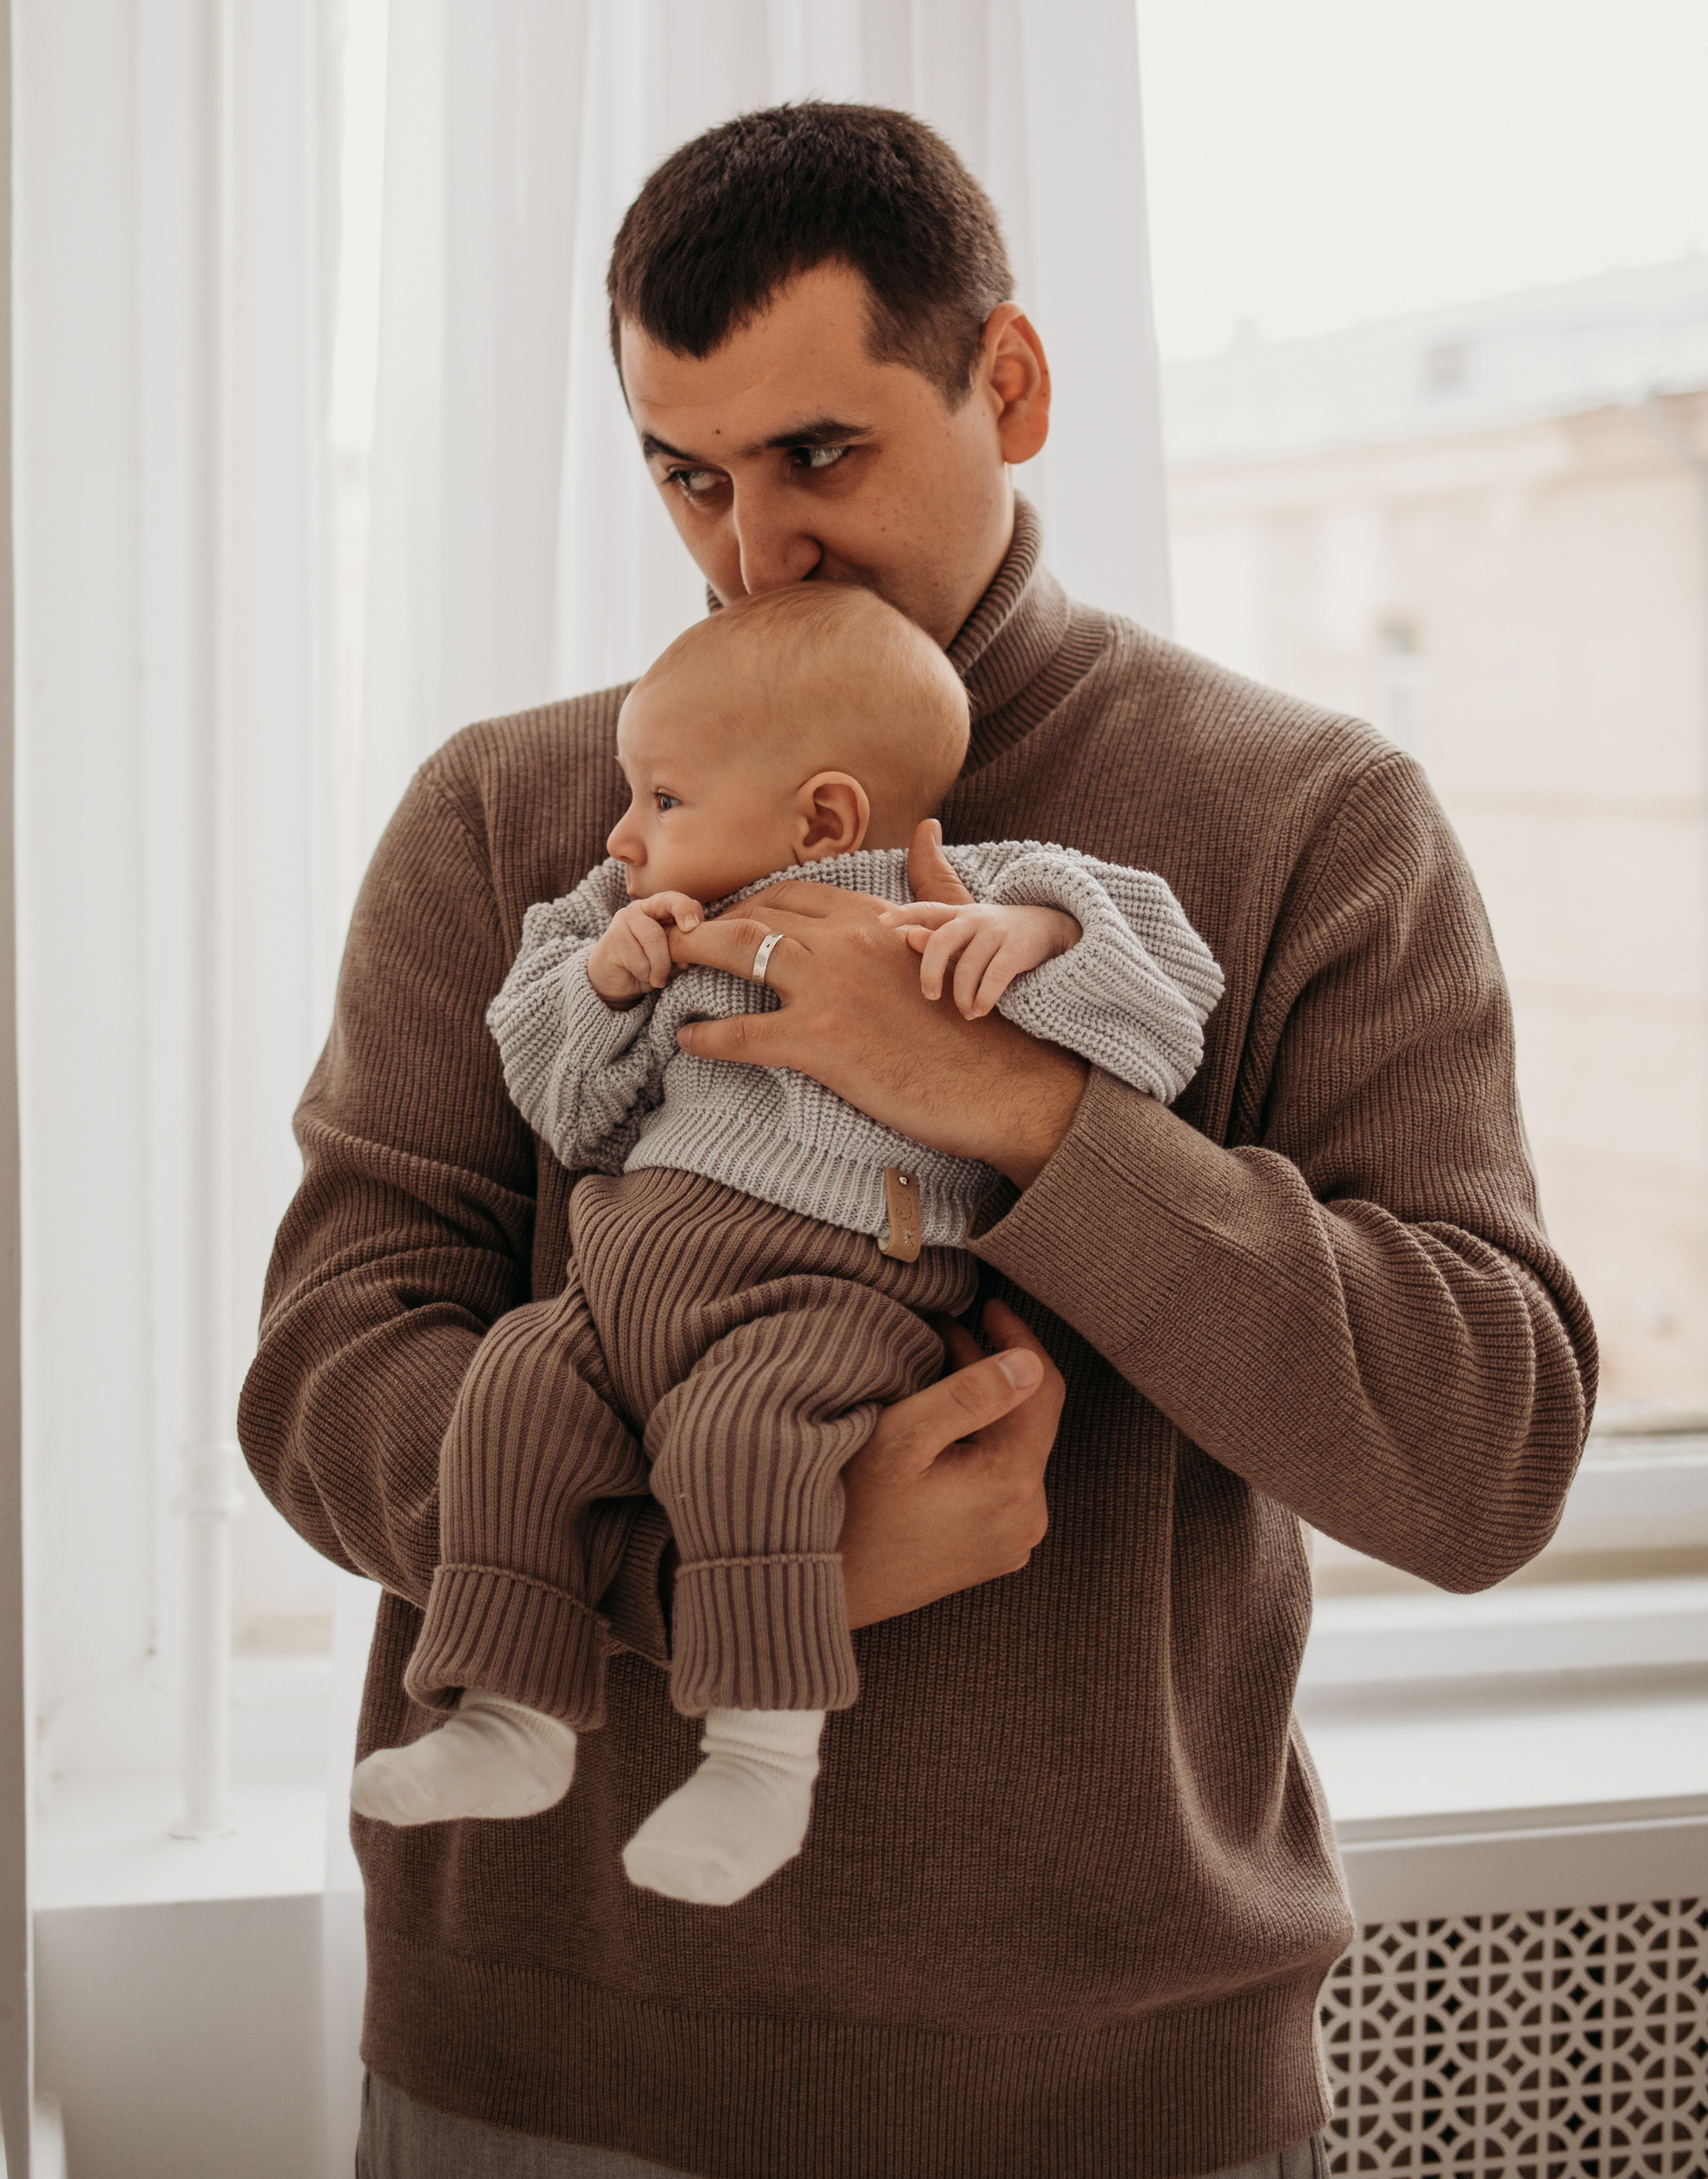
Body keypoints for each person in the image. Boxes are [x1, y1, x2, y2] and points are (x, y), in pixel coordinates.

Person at [238, 103, 1594, 2179]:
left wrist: (1015, 1104)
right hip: (549, 2087)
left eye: (817, 456)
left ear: (1011, 390)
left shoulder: (1298, 824)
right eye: (686, 473)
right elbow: (322, 1378)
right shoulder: (517, 821)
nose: (748, 552)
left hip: (1098, 2129)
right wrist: (710, 1574)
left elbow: (1480, 1455)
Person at [351, 581, 1224, 1910]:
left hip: (831, 1287)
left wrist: (1027, 938)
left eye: (661, 799)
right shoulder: (648, 931)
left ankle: (761, 1757)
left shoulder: (947, 899)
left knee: (744, 1439)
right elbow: (572, 1113)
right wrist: (602, 984)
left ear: (822, 814)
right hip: (622, 1288)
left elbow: (1164, 996)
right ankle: (511, 1715)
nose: (621, 832)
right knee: (516, 1391)